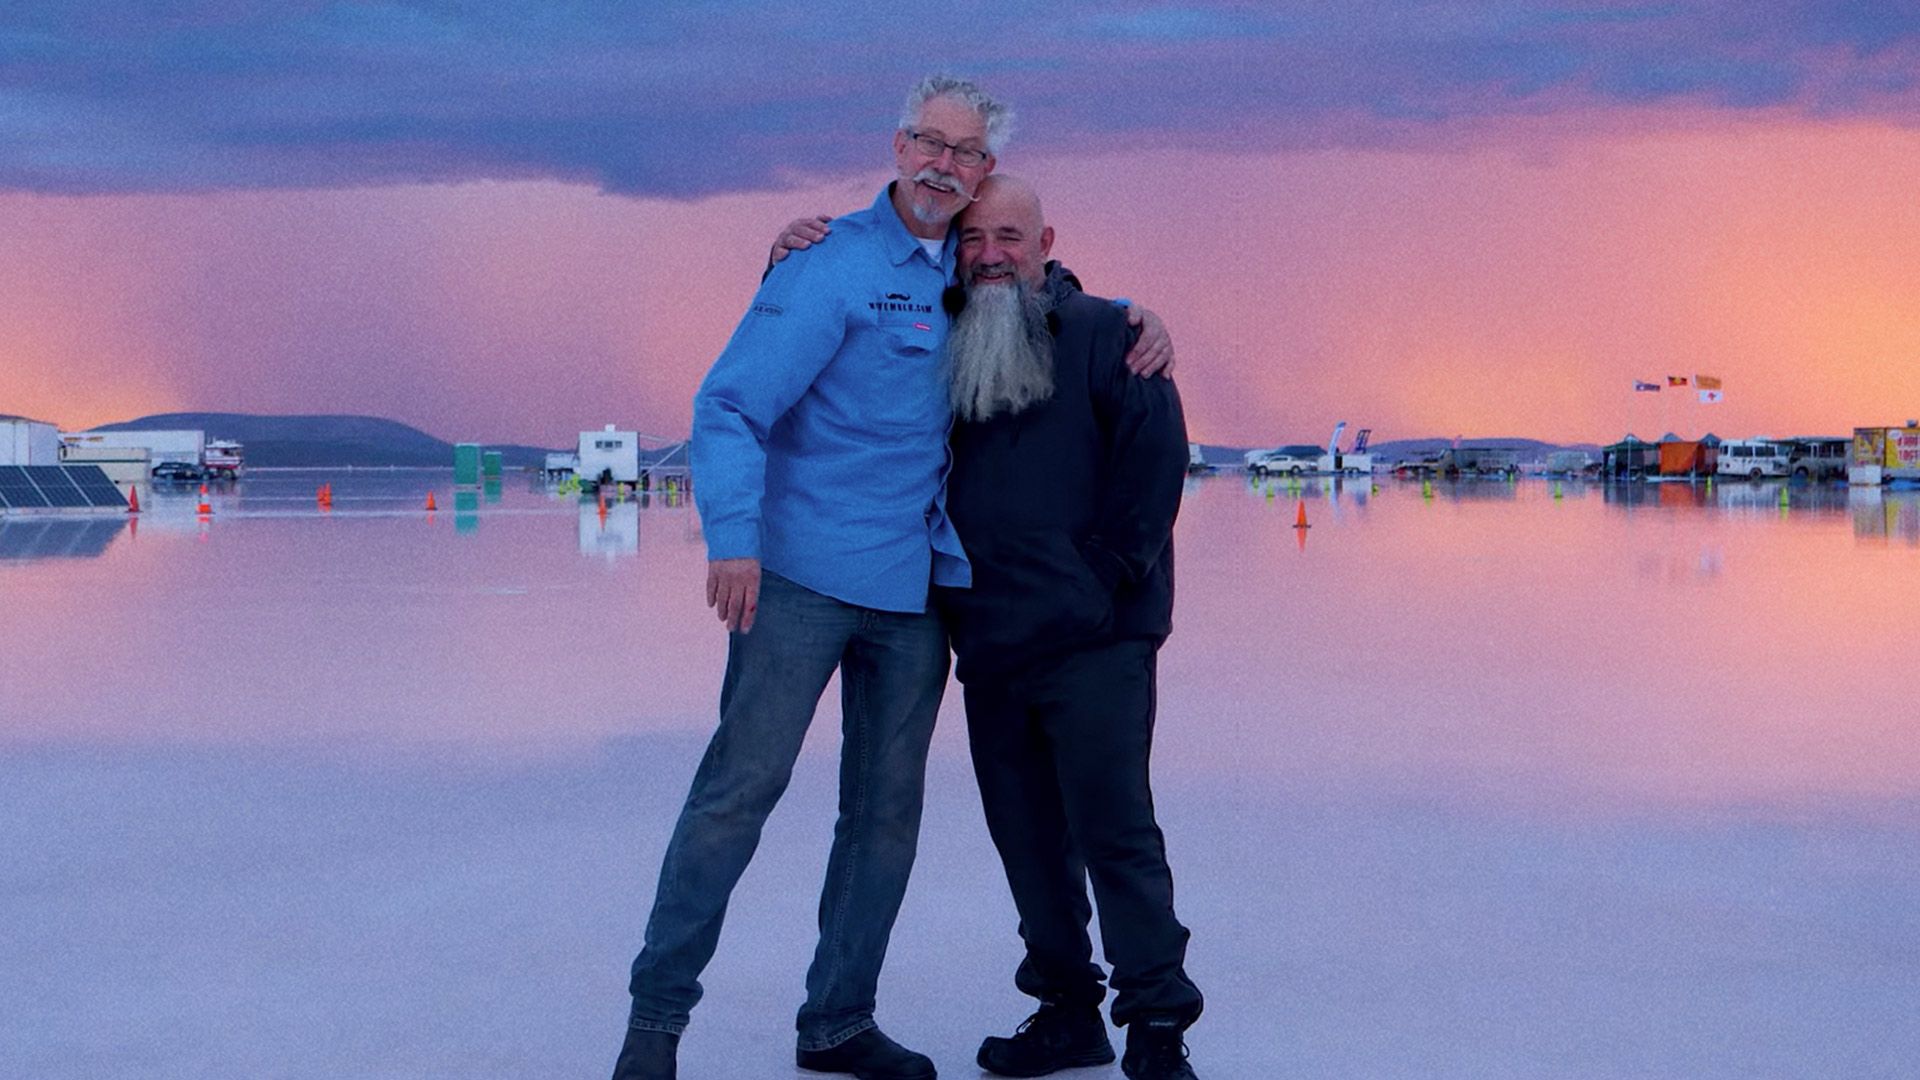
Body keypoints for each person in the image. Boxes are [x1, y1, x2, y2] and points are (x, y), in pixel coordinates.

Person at [611, 76, 1170, 1080]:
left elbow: (1034, 288)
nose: (941, 163)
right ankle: (656, 1023)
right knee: (738, 793)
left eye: (963, 152)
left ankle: (836, 1022)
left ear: (983, 172)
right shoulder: (827, 263)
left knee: (882, 816)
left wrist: (1136, 315)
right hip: (794, 584)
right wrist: (731, 536)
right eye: (927, 140)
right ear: (897, 141)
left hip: (913, 601)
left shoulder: (967, 278)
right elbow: (731, 405)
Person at [936, 176, 1203, 1080]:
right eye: (973, 238)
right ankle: (1065, 1013)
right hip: (994, 644)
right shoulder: (950, 337)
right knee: (1027, 841)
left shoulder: (1104, 334)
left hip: (1097, 642)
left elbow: (1156, 459)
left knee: (1114, 832)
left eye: (1008, 235)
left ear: (1047, 239)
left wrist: (1103, 580)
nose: (990, 254)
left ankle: (1158, 1024)